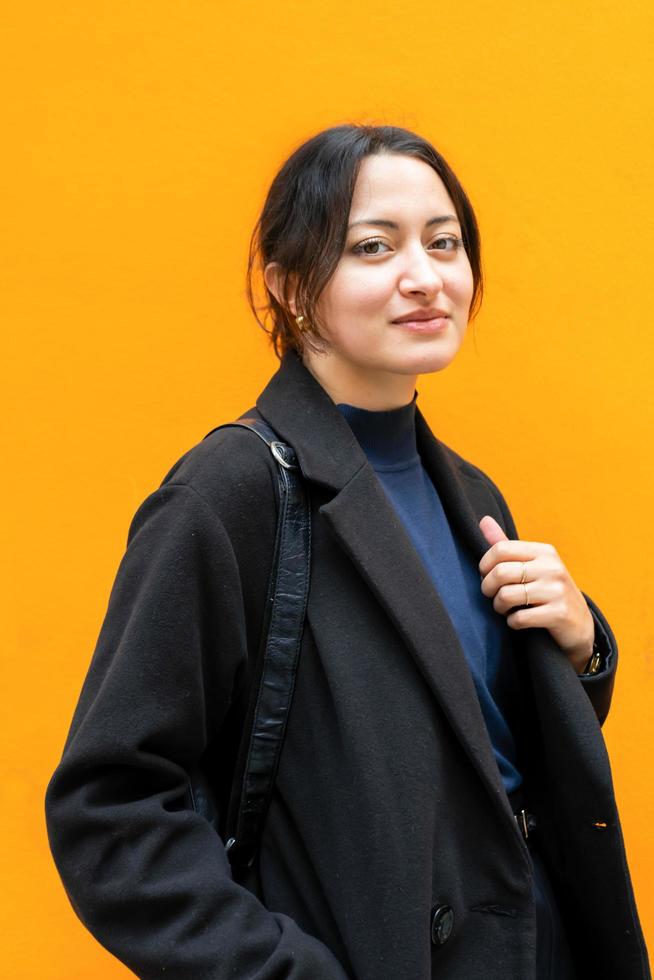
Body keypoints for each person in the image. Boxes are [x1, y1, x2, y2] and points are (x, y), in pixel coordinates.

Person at [45, 124, 650, 980]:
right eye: (374, 246)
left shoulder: (470, 493)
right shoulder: (232, 492)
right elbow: (109, 809)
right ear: (290, 288)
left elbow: (470, 755)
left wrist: (583, 651)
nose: (425, 276)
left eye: (446, 244)